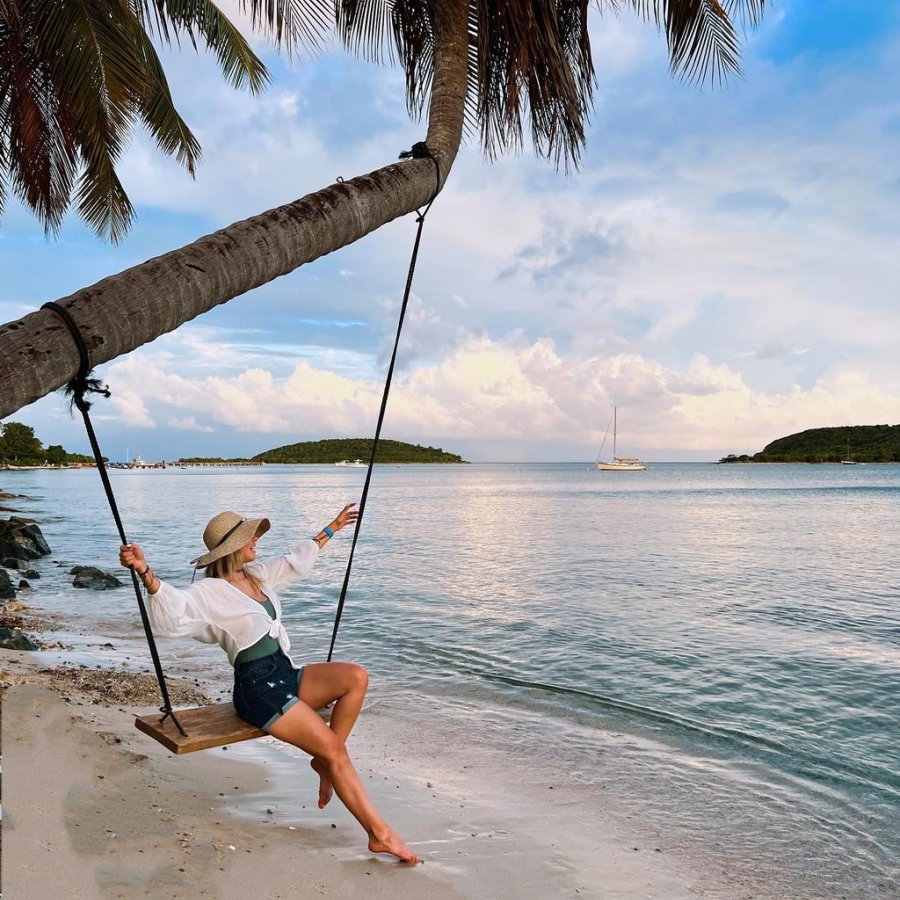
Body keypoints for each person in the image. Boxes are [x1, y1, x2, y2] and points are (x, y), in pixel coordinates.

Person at [119, 504, 420, 864]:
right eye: (250, 537)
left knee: (355, 677)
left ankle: (325, 763)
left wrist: (334, 527)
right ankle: (378, 834)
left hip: (284, 672)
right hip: (257, 688)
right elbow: (174, 608)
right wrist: (145, 572)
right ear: (232, 548)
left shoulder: (258, 575)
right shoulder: (210, 592)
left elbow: (296, 560)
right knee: (336, 752)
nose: (257, 540)